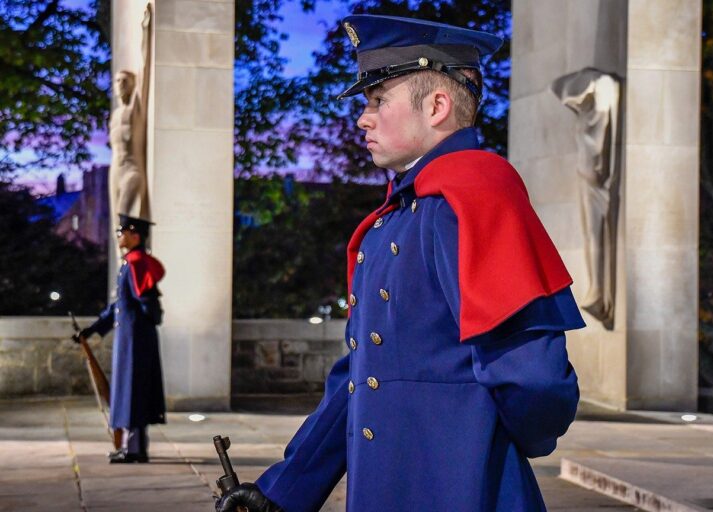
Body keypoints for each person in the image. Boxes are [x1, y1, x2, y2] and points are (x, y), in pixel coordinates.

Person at [217, 14, 584, 512]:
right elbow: (361, 378)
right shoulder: (399, 218)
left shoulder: (473, 198)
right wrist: (281, 493)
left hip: (463, 491)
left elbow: (534, 378)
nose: (363, 118)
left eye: (377, 100)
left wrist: (475, 445)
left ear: (437, 106)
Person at [75, 214, 166, 463]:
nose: (118, 236)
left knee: (134, 393)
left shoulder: (137, 262)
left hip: (136, 340)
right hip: (131, 339)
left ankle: (135, 449)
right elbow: (119, 305)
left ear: (135, 235)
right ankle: (132, 447)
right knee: (128, 392)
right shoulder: (130, 263)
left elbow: (146, 302)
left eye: (122, 231)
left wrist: (143, 327)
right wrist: (92, 329)